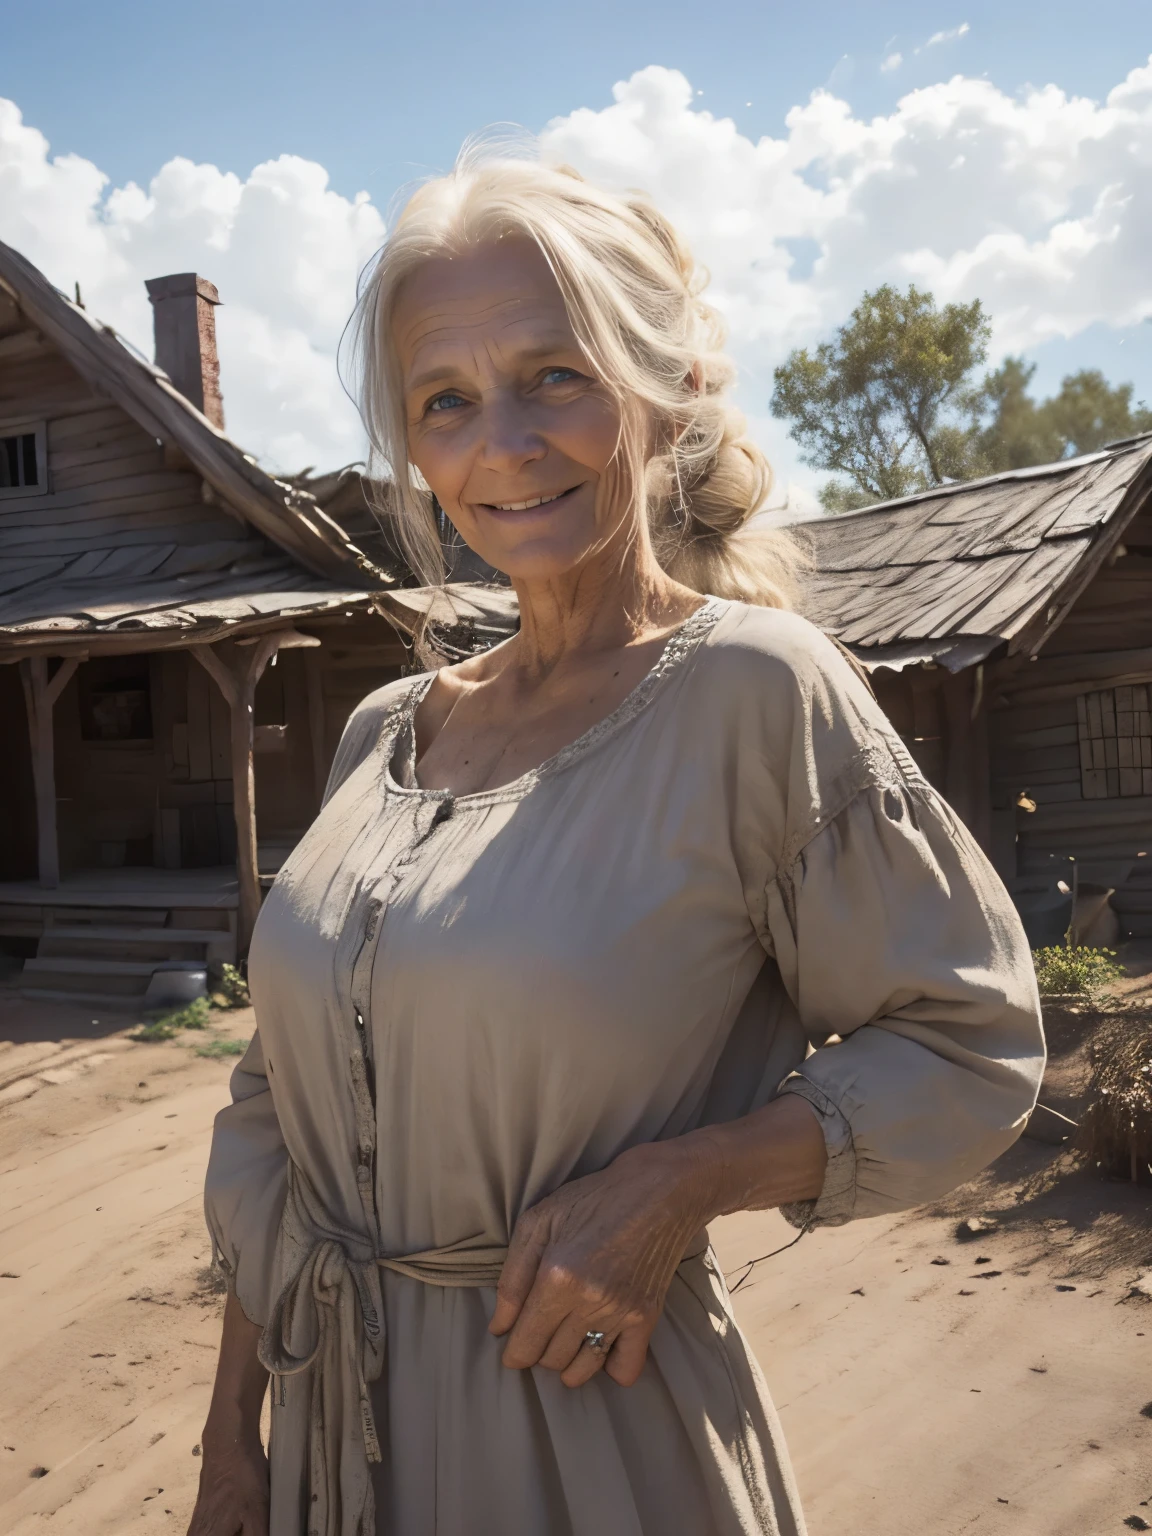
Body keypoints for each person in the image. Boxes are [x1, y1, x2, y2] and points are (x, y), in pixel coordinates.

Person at [187, 148, 1045, 1536]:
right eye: (447, 400)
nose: (503, 443)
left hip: (587, 1446)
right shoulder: (382, 731)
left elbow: (968, 1045)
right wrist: (233, 1442)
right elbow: (273, 1106)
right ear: (414, 445)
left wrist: (680, 1186)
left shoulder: (756, 694)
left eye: (557, 375)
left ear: (668, 390)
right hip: (328, 1456)